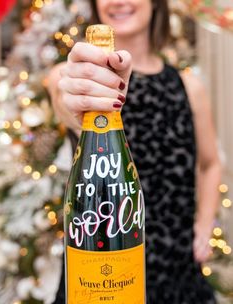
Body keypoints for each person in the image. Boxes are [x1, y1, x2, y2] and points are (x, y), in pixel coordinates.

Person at [48, 0, 222, 303]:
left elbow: (209, 165)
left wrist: (204, 225)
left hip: (176, 274)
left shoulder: (188, 86)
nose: (117, 1)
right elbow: (66, 101)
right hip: (101, 280)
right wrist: (78, 103)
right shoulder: (74, 77)